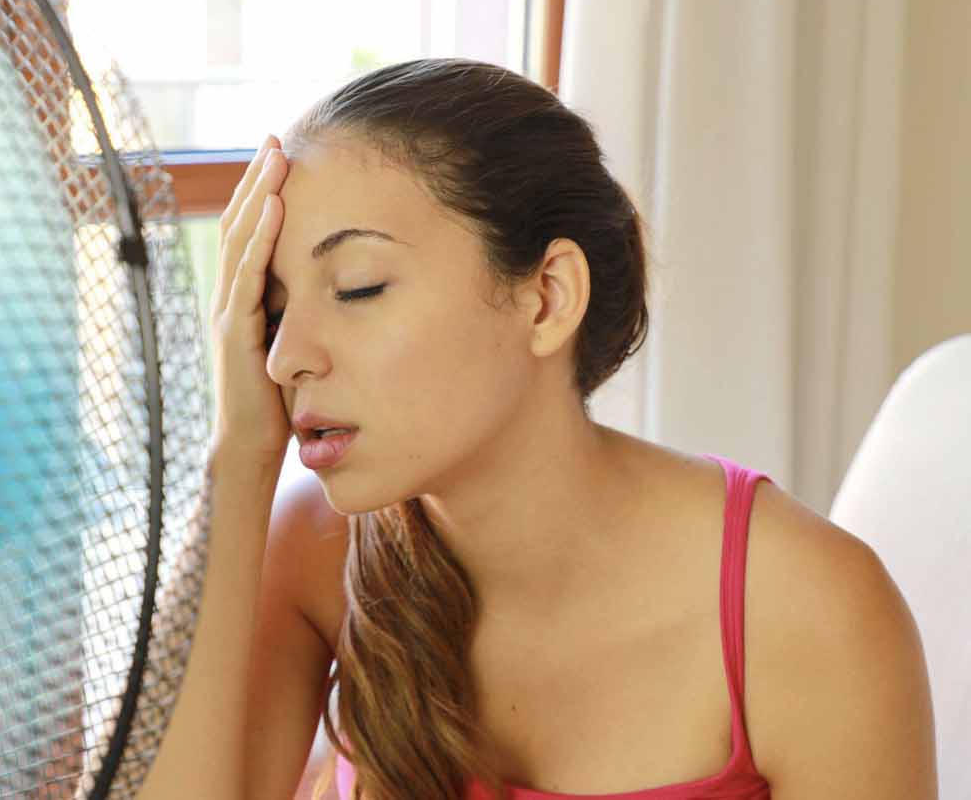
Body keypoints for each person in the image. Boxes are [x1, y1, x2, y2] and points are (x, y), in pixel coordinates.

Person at [134, 59, 936, 800]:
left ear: (548, 295)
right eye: (272, 311)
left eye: (359, 286)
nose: (284, 358)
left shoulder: (805, 606)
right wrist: (237, 457)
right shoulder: (314, 553)